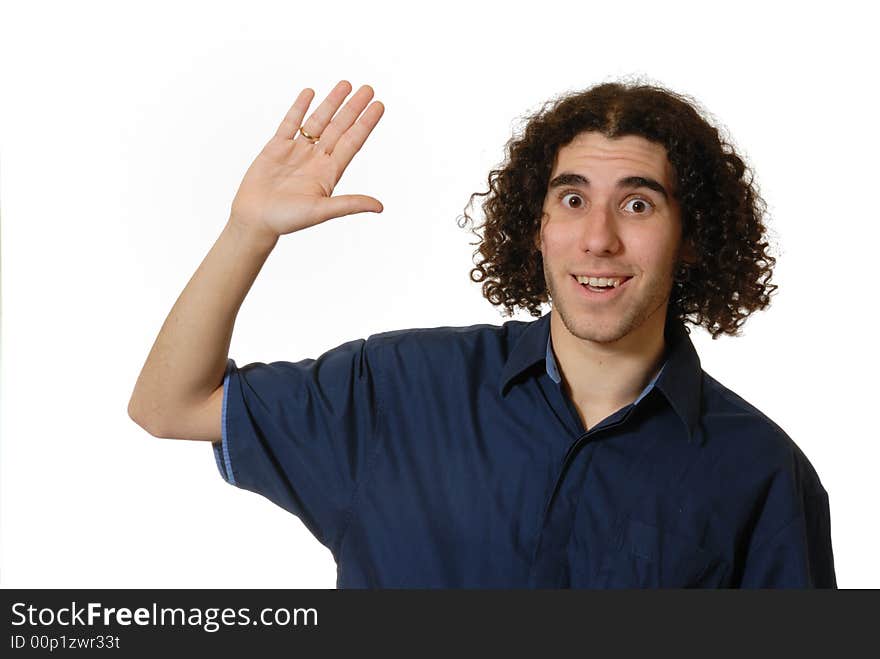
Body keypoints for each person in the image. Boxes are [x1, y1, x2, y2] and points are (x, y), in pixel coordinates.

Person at [128, 79, 837, 588]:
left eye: (638, 203)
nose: (598, 238)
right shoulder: (397, 390)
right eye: (572, 199)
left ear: (690, 237)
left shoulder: (764, 473)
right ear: (538, 226)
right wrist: (248, 232)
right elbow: (168, 405)